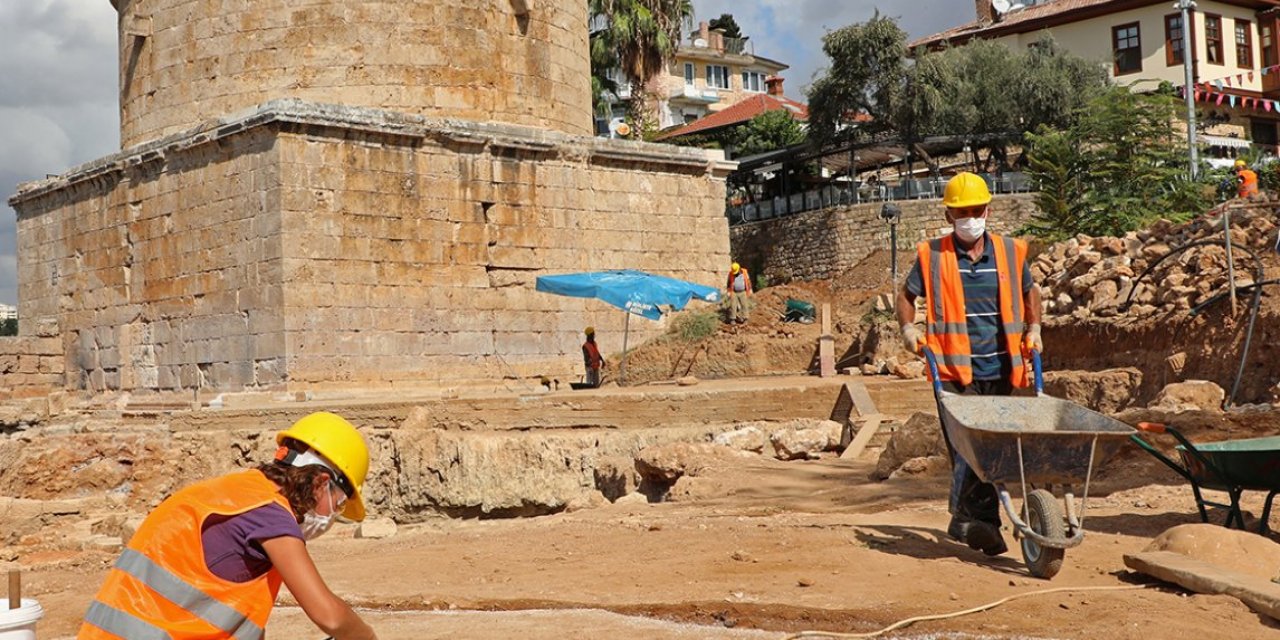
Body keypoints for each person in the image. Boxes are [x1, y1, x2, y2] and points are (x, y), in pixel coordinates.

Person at [78, 412, 378, 640]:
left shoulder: (242, 492)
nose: (333, 515)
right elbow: (330, 617)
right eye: (339, 503)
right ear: (321, 483)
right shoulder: (270, 515)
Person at [894, 171, 1042, 557]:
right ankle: (982, 522)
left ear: (988, 210)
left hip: (1003, 367)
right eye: (962, 212)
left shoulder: (1010, 252)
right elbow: (906, 296)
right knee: (972, 447)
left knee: (992, 445)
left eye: (976, 210)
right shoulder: (933, 256)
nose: (970, 218)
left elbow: (1030, 292)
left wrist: (1035, 327)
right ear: (949, 216)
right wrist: (908, 329)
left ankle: (966, 518)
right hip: (952, 369)